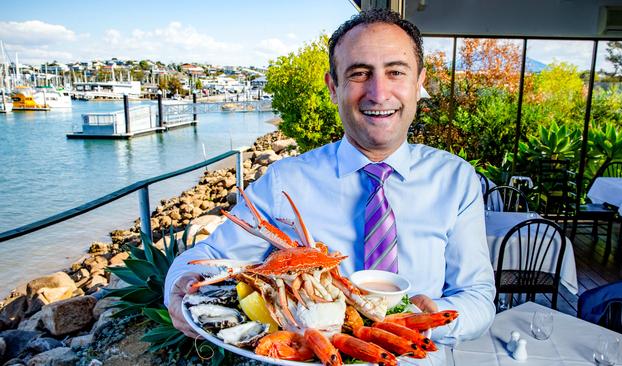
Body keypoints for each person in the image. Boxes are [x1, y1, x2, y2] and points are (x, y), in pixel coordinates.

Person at [164, 7, 495, 353]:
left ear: (419, 84)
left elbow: (478, 296)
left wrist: (436, 316)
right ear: (333, 87)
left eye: (396, 72)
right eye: (359, 74)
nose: (379, 93)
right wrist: (181, 285)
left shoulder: (457, 180)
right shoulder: (284, 181)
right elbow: (211, 255)